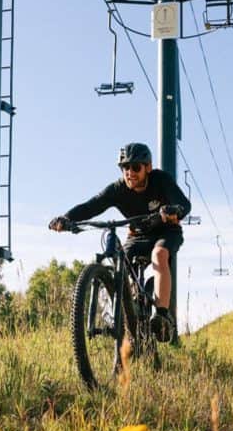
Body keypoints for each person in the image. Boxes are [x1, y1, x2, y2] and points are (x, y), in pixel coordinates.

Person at [49, 142, 191, 342]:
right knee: (121, 263)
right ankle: (128, 309)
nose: (130, 173)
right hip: (137, 236)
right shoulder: (118, 189)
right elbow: (93, 205)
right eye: (125, 168)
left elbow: (184, 204)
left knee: (159, 255)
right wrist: (66, 218)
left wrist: (175, 210)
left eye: (135, 167)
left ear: (148, 167)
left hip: (166, 232)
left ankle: (161, 316)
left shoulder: (161, 180)